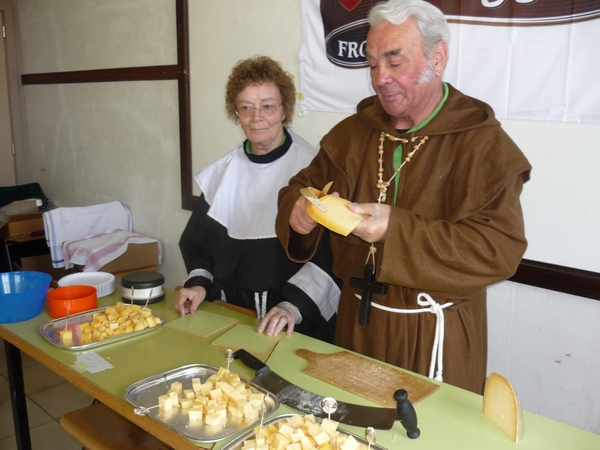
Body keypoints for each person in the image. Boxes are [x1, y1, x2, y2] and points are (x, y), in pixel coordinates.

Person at [276, 0, 532, 394]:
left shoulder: (481, 143)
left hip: (435, 338)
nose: (380, 78)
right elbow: (302, 187)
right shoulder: (353, 134)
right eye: (373, 63)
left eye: (395, 62)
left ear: (438, 57)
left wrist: (395, 231)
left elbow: (498, 249)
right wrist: (297, 211)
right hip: (357, 327)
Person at [176, 56, 340, 343]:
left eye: (267, 106)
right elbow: (199, 242)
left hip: (294, 323)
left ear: (284, 109)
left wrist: (293, 307)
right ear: (235, 113)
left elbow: (334, 255)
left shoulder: (315, 169)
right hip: (233, 317)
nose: (257, 117)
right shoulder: (222, 173)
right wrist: (199, 285)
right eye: (246, 108)